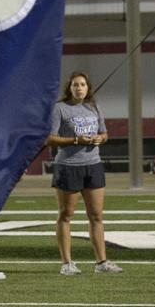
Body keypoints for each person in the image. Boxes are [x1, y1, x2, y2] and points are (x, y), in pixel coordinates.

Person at [48, 72, 122, 275]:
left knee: (96, 216)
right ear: (69, 88)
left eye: (82, 85)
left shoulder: (94, 107)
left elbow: (105, 133)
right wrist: (75, 141)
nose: (79, 88)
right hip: (68, 166)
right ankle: (67, 263)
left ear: (88, 88)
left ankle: (102, 262)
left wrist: (100, 138)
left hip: (93, 165)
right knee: (66, 215)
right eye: (75, 85)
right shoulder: (60, 108)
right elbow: (50, 139)